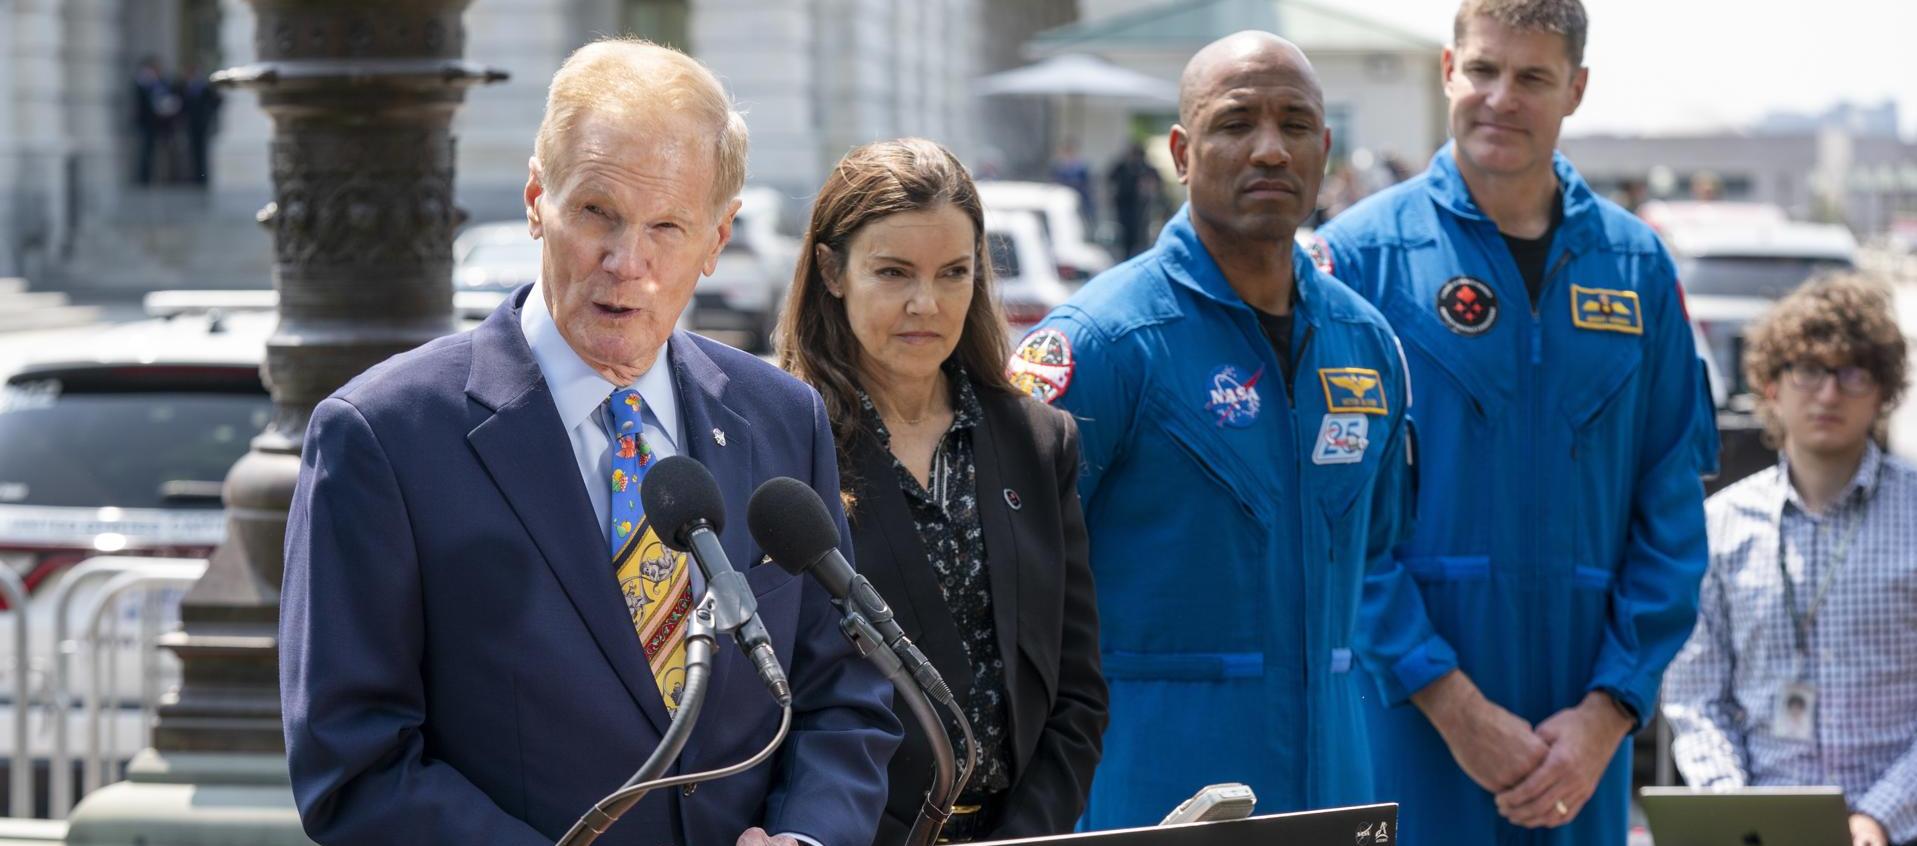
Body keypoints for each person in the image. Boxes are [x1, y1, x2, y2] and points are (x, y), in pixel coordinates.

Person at [280, 38, 901, 846]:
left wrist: (809, 837)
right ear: (538, 199)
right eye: (595, 213)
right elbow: (353, 767)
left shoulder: (782, 418)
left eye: (668, 227)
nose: (625, 262)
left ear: (717, 241)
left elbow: (842, 696)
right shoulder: (383, 437)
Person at [1313, 1, 1715, 843]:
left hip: (1577, 743)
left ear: (1574, 88)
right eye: (1484, 70)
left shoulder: (1635, 269)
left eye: (1532, 77)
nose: (1502, 98)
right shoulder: (1356, 260)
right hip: (1402, 724)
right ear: (1447, 72)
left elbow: (1672, 508)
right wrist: (1449, 702)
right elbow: (1327, 516)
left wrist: (1608, 714)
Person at [1011, 32, 1413, 830]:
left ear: (1324, 149)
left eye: (1294, 125)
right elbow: (1011, 585)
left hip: (1336, 793)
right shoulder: (1103, 342)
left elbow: (1377, 551)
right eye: (1236, 124)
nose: (1269, 149)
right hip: (1148, 800)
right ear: (1180, 152)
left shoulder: (1367, 345)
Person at [777, 138, 1108, 844]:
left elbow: (1075, 692)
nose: (924, 303)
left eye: (953, 273)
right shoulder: (779, 442)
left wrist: (1024, 835)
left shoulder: (1037, 442)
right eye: (893, 273)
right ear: (832, 271)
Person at [1663, 274, 1916, 846]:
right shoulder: (1721, 525)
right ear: (1771, 386)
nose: (1829, 394)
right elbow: (1695, 699)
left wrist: (1880, 816)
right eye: (1807, 370)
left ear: (1883, 391)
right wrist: (1737, 817)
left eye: (1853, 372)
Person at [1106, 142, 1156, 260]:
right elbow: (1109, 180)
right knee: (1124, 234)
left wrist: (1147, 188)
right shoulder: (1122, 167)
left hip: (1140, 207)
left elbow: (1155, 182)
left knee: (1140, 236)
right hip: (1123, 205)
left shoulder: (1145, 168)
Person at [179, 63, 223, 186]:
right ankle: (194, 176)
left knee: (202, 151)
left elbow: (216, 101)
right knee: (191, 151)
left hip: (202, 123)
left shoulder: (204, 86)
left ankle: (201, 177)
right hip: (189, 124)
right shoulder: (184, 86)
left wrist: (208, 113)